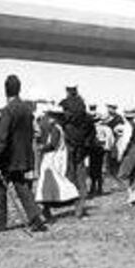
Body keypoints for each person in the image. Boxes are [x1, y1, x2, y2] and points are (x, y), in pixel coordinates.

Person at [0, 75, 47, 231]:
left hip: (8, 157)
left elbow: (2, 135)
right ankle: (36, 217)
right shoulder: (26, 109)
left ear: (5, 90)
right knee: (21, 185)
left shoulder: (8, 110)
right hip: (23, 155)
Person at [34, 110, 79, 220]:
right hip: (53, 159)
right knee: (50, 185)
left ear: (53, 119)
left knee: (55, 182)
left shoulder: (55, 129)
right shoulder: (57, 129)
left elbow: (53, 145)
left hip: (52, 160)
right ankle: (46, 207)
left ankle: (71, 199)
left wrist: (41, 148)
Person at [58, 85, 94, 218]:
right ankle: (79, 208)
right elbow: (91, 134)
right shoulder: (86, 115)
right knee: (81, 179)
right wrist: (86, 146)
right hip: (81, 149)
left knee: (69, 177)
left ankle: (70, 203)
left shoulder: (64, 115)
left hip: (68, 147)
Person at [115, 108, 135, 205]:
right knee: (134, 174)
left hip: (131, 151)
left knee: (122, 174)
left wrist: (120, 154)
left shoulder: (127, 126)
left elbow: (125, 142)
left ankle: (131, 196)